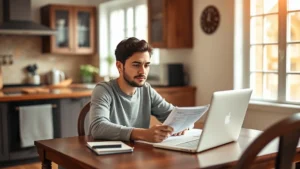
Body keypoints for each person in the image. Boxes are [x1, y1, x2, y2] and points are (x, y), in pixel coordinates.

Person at [89, 37, 186, 143]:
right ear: (119, 66)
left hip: (139, 154)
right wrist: (143, 134)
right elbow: (98, 127)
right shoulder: (103, 90)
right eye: (136, 65)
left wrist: (185, 124)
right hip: (109, 155)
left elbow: (176, 115)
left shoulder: (147, 90)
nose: (142, 71)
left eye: (147, 65)